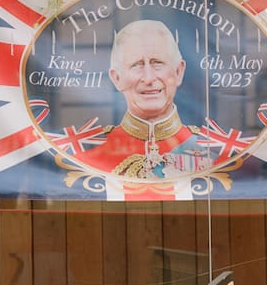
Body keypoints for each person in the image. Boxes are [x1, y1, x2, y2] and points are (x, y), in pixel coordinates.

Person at [78, 19, 212, 179]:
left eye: (158, 63)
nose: (148, 78)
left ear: (178, 72)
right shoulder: (86, 152)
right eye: (136, 65)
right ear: (117, 78)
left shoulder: (211, 149)